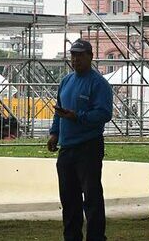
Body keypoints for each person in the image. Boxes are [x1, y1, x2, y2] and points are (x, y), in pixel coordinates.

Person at [48, 38, 114, 241]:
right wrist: (54, 133)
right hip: (67, 148)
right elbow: (59, 111)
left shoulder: (99, 84)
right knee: (69, 199)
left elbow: (104, 114)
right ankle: (71, 237)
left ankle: (95, 237)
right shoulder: (66, 81)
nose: (75, 60)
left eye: (80, 55)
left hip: (88, 147)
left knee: (92, 197)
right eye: (73, 55)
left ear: (90, 57)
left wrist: (78, 117)